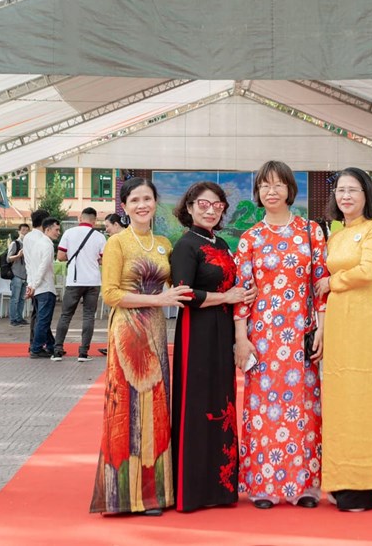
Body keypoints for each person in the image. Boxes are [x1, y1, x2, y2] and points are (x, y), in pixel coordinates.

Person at [90, 177, 193, 516]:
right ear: (125, 205)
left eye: (147, 198)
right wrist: (158, 299)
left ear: (155, 202)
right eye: (134, 200)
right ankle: (124, 496)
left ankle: (153, 494)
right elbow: (110, 294)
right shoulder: (117, 243)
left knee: (156, 408)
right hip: (128, 331)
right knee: (127, 408)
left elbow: (179, 284)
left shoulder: (163, 243)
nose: (142, 205)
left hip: (156, 332)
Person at [233, 160, 327, 509]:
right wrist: (241, 339)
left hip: (301, 334)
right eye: (264, 186)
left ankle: (305, 486)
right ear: (257, 192)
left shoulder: (310, 231)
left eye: (277, 185)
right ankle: (264, 485)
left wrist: (322, 328)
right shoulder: (250, 238)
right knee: (264, 408)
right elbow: (242, 293)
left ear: (290, 189)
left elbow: (321, 284)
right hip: (263, 336)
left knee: (304, 407)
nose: (271, 192)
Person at [169, 181, 253, 512]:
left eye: (217, 206)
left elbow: (234, 284)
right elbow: (184, 293)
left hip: (222, 330)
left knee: (222, 401)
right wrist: (226, 296)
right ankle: (193, 490)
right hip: (197, 331)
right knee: (197, 402)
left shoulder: (221, 242)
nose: (210, 210)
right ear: (189, 207)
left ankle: (220, 487)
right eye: (203, 204)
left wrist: (242, 295)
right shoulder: (186, 245)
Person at [315, 167, 372, 512]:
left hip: (366, 324)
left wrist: (332, 282)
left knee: (364, 398)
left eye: (353, 190)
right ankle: (338, 479)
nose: (345, 196)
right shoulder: (336, 235)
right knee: (339, 399)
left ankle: (363, 485)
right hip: (339, 323)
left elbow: (370, 270)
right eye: (340, 190)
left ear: (366, 195)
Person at [53, 208, 107, 362]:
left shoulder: (69, 233)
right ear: (94, 221)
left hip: (74, 281)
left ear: (80, 218)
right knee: (89, 316)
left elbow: (61, 256)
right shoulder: (100, 237)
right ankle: (83, 353)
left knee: (65, 315)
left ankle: (57, 351)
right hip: (93, 282)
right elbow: (103, 259)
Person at [24, 212, 61, 359]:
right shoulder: (47, 245)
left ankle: (51, 346)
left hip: (38, 287)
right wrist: (34, 285)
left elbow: (31, 267)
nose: (58, 233)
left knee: (41, 319)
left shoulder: (36, 243)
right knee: (43, 321)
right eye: (56, 230)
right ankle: (36, 348)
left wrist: (31, 285)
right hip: (44, 287)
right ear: (47, 229)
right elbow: (43, 267)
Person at [7, 223, 29, 326]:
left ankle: (20, 318)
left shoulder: (29, 245)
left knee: (22, 298)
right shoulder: (15, 243)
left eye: (27, 230)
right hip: (16, 274)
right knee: (15, 298)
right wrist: (18, 255)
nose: (25, 232)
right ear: (19, 231)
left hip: (25, 274)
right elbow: (8, 258)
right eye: (23, 230)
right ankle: (13, 319)